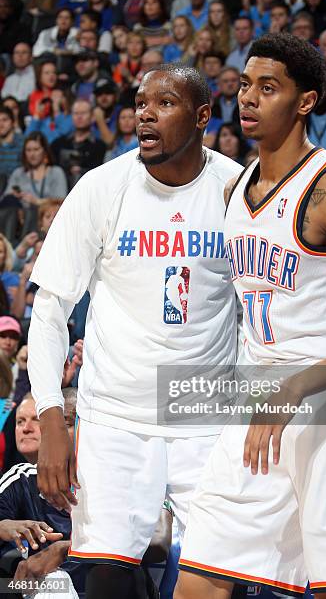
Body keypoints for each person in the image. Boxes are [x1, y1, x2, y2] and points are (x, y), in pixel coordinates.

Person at [175, 33, 326, 599]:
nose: (248, 98)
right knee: (198, 576)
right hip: (261, 402)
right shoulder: (235, 191)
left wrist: (298, 385)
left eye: (269, 87)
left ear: (305, 101)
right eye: (246, 85)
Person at [27, 64, 242, 599]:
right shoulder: (101, 188)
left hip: (206, 413)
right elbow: (51, 310)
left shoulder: (238, 191)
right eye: (141, 103)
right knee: (105, 575)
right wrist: (53, 414)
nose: (145, 113)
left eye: (164, 103)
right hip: (115, 415)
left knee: (217, 576)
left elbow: (264, 311)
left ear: (202, 117)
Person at [4, 132, 67, 238]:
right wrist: (15, 198)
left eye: (36, 149)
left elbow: (61, 200)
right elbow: (5, 199)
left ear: (45, 151)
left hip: (46, 219)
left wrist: (37, 202)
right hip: (20, 221)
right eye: (28, 150)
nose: (32, 154)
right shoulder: (18, 173)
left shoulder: (56, 172)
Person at [51, 99, 106, 188]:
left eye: (83, 113)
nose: (79, 117)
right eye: (76, 113)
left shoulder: (99, 147)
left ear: (92, 117)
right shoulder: (58, 144)